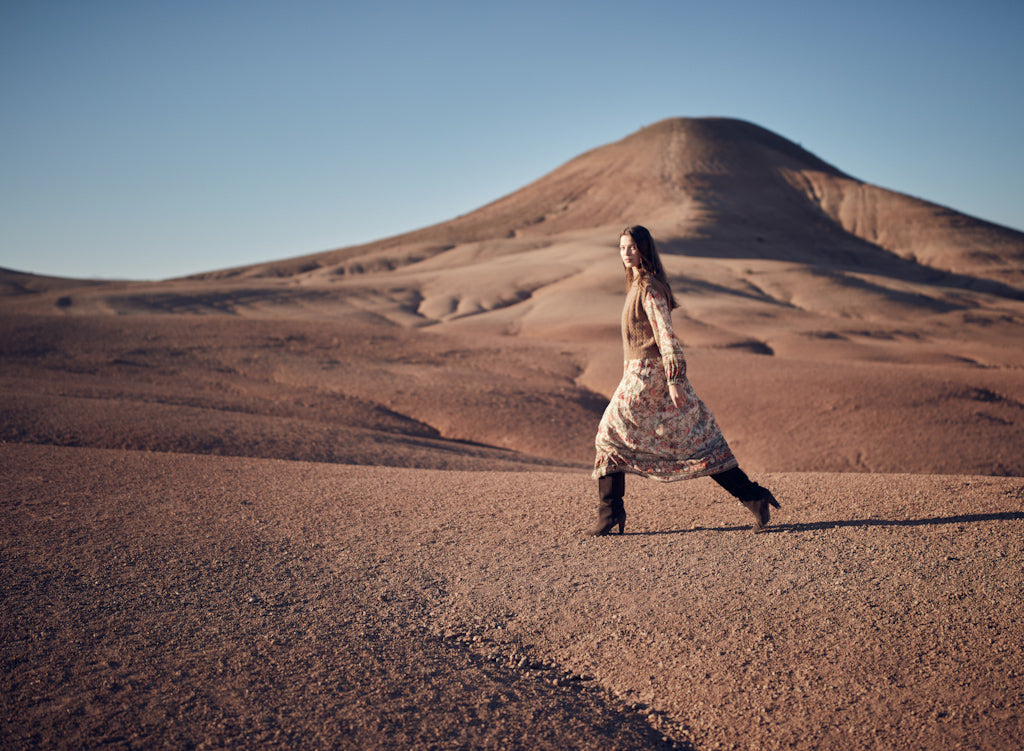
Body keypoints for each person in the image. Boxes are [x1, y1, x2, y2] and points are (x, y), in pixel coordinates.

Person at [589, 225, 780, 536]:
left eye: (633, 248)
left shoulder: (649, 288)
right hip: (640, 374)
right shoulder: (637, 284)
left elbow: (666, 335)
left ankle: (610, 511)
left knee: (609, 435)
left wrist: (674, 379)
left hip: (649, 377)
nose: (626, 253)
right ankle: (754, 496)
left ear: (645, 250)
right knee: (697, 444)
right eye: (623, 247)